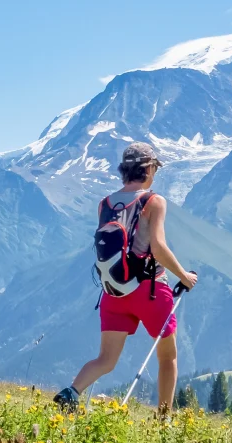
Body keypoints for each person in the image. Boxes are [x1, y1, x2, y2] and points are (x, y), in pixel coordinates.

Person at [53, 144, 198, 412]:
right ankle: (163, 419)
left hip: (113, 290)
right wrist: (184, 276)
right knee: (167, 356)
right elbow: (158, 247)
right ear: (149, 169)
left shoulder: (104, 204)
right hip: (149, 290)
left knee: (105, 359)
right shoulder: (154, 201)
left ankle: (71, 393)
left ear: (124, 170)